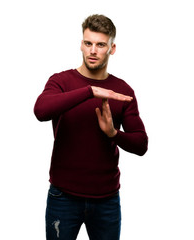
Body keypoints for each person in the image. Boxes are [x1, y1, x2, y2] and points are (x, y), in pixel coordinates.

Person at [34, 14, 148, 240]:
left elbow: (141, 143)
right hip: (63, 197)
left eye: (100, 45)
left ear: (112, 48)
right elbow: (41, 110)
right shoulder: (61, 81)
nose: (93, 51)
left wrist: (113, 134)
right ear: (81, 44)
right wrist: (89, 91)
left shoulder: (122, 90)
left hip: (106, 199)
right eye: (88, 43)